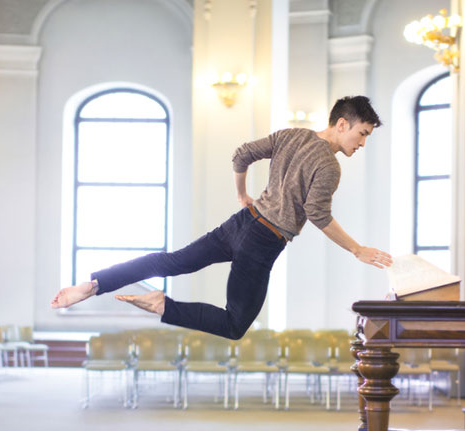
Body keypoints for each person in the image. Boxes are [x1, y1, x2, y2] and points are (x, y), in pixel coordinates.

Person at [51, 95, 393, 339]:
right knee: (235, 324)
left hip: (241, 223)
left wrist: (241, 194)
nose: (362, 143)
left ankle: (92, 285)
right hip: (264, 241)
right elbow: (318, 214)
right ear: (342, 123)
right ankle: (162, 306)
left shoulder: (291, 135)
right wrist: (356, 249)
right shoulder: (329, 166)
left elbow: (242, 154)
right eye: (361, 133)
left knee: (171, 261)